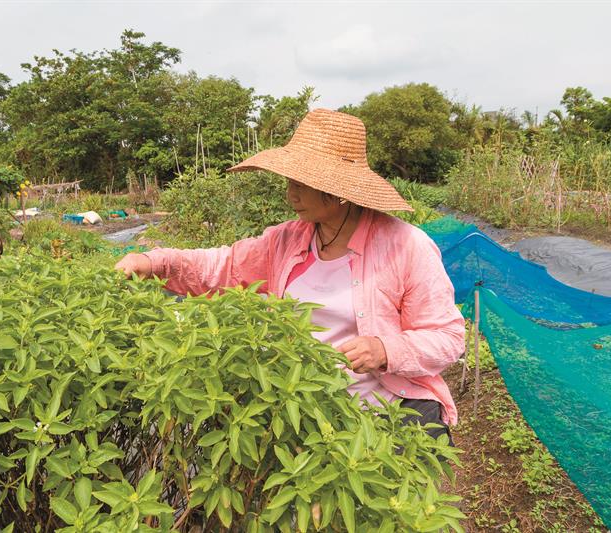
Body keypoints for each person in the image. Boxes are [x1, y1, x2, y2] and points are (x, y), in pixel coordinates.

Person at [116, 108, 465, 441]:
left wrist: (384, 349)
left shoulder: (405, 245)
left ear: (338, 191)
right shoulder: (289, 239)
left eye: (302, 183)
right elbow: (225, 266)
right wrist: (153, 262)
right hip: (309, 407)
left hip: (391, 411)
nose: (290, 193)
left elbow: (447, 338)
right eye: (290, 181)